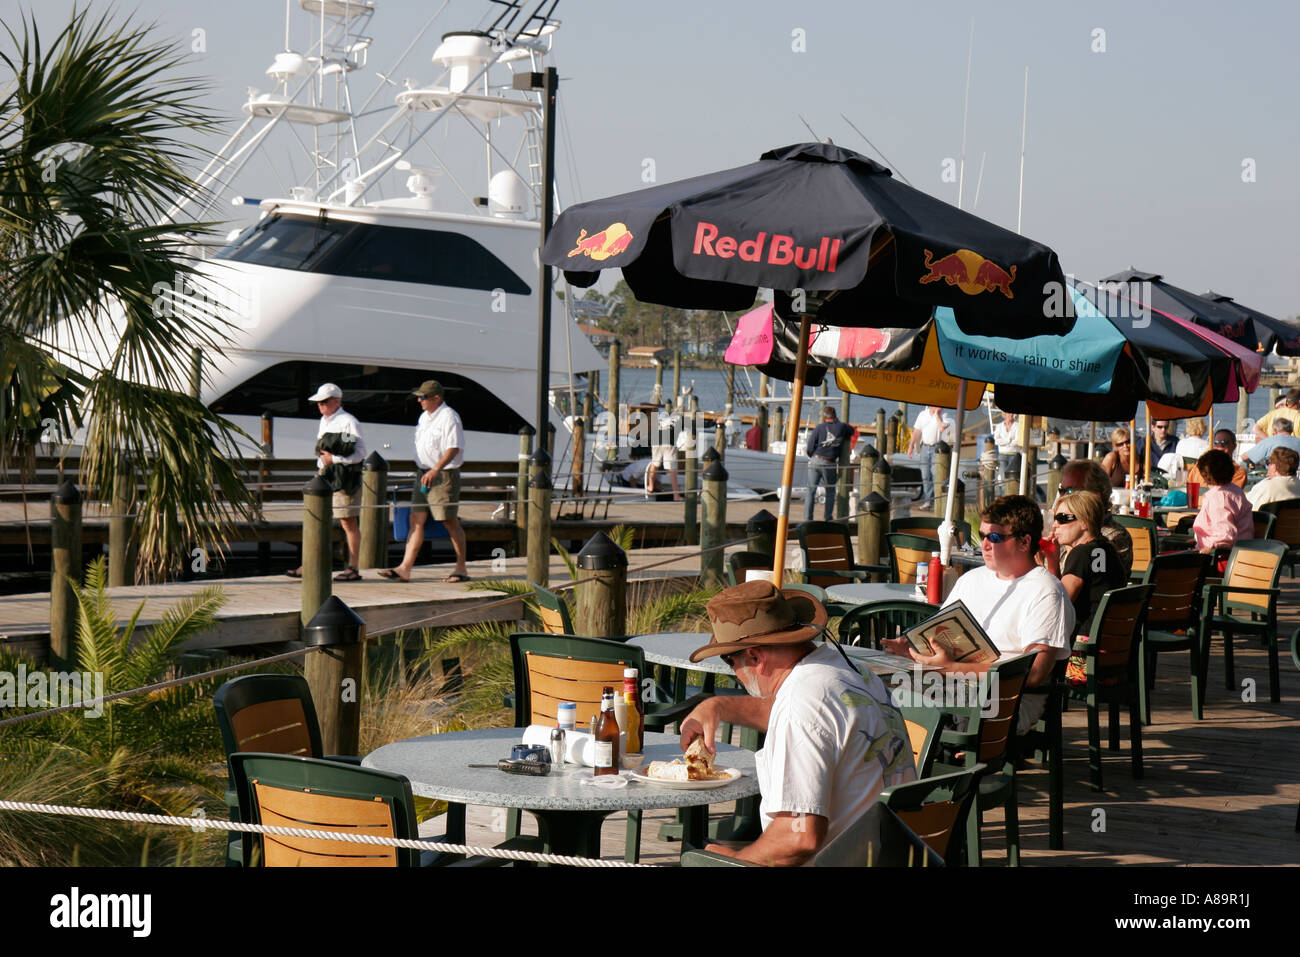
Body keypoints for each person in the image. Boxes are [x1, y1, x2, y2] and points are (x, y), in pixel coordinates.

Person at [680, 581, 915, 866]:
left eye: (729, 660)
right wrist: (718, 705)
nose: (734, 674)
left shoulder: (802, 703)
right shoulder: (845, 670)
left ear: (755, 656)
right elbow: (809, 721)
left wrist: (737, 860)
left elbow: (798, 838)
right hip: (892, 850)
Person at [884, 495, 1076, 733]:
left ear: (1024, 542)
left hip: (1005, 700)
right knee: (877, 693)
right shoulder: (971, 580)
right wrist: (914, 649)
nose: (984, 544)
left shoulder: (1046, 591)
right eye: (983, 535)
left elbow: (1035, 674)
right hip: (953, 686)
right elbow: (940, 636)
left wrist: (951, 668)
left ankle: (936, 762)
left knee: (913, 710)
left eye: (994, 537)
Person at [379, 379, 469, 583]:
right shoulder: (424, 417)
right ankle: (405, 568)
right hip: (423, 473)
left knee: (449, 521)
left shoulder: (449, 417)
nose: (419, 400)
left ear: (436, 398)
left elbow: (453, 447)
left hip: (442, 474)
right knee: (415, 519)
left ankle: (461, 567)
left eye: (423, 397)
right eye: (418, 397)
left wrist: (435, 469)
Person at [288, 383, 366, 581]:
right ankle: (310, 564)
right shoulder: (324, 421)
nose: (320, 406)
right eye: (318, 402)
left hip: (344, 479)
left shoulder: (348, 422)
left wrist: (335, 460)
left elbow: (360, 453)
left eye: (324, 402)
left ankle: (353, 567)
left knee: (348, 522)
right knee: (317, 520)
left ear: (336, 401)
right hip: (325, 477)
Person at [1050, 492, 1127, 687]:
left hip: (1082, 661)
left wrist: (1048, 564)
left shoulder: (1081, 554)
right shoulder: (1107, 549)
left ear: (1084, 523)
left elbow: (1056, 605)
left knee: (1027, 667)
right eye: (1054, 518)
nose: (1055, 525)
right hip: (1114, 654)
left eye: (1062, 518)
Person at [1057, 459, 1134, 575]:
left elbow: (1072, 588)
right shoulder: (1066, 530)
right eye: (1061, 490)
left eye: (1070, 491)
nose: (1062, 497)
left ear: (1094, 496)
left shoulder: (1113, 539)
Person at [1191, 448, 1253, 556]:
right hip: (1241, 552)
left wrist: (1207, 547)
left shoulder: (1219, 498)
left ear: (1204, 474)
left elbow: (1225, 536)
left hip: (1220, 558)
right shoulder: (1235, 491)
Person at [805, 405, 853, 521]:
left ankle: (808, 519)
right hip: (829, 462)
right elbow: (852, 431)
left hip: (815, 460)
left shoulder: (819, 428)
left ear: (825, 417)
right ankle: (828, 518)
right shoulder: (842, 427)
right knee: (830, 491)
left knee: (811, 491)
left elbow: (810, 446)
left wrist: (812, 456)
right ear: (835, 415)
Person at [907, 404, 954, 507]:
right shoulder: (922, 414)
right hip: (925, 447)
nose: (941, 407)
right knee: (925, 475)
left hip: (936, 448)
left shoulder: (944, 415)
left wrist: (937, 415)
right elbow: (916, 431)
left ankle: (936, 500)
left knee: (936, 475)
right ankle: (928, 500)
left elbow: (942, 428)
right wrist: (911, 446)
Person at [645, 407, 683, 501]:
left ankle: (651, 486)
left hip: (656, 440)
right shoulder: (680, 418)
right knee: (672, 469)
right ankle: (676, 495)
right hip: (668, 442)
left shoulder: (662, 418)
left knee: (655, 464)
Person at [992, 411, 1022, 481]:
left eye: (1012, 413)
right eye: (1009, 413)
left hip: (1014, 455)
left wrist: (1004, 442)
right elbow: (997, 441)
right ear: (1005, 415)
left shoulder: (1018, 426)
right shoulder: (999, 426)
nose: (1011, 414)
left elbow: (1018, 441)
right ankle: (1003, 492)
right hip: (1002, 455)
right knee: (1003, 479)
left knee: (1014, 479)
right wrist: (1009, 440)